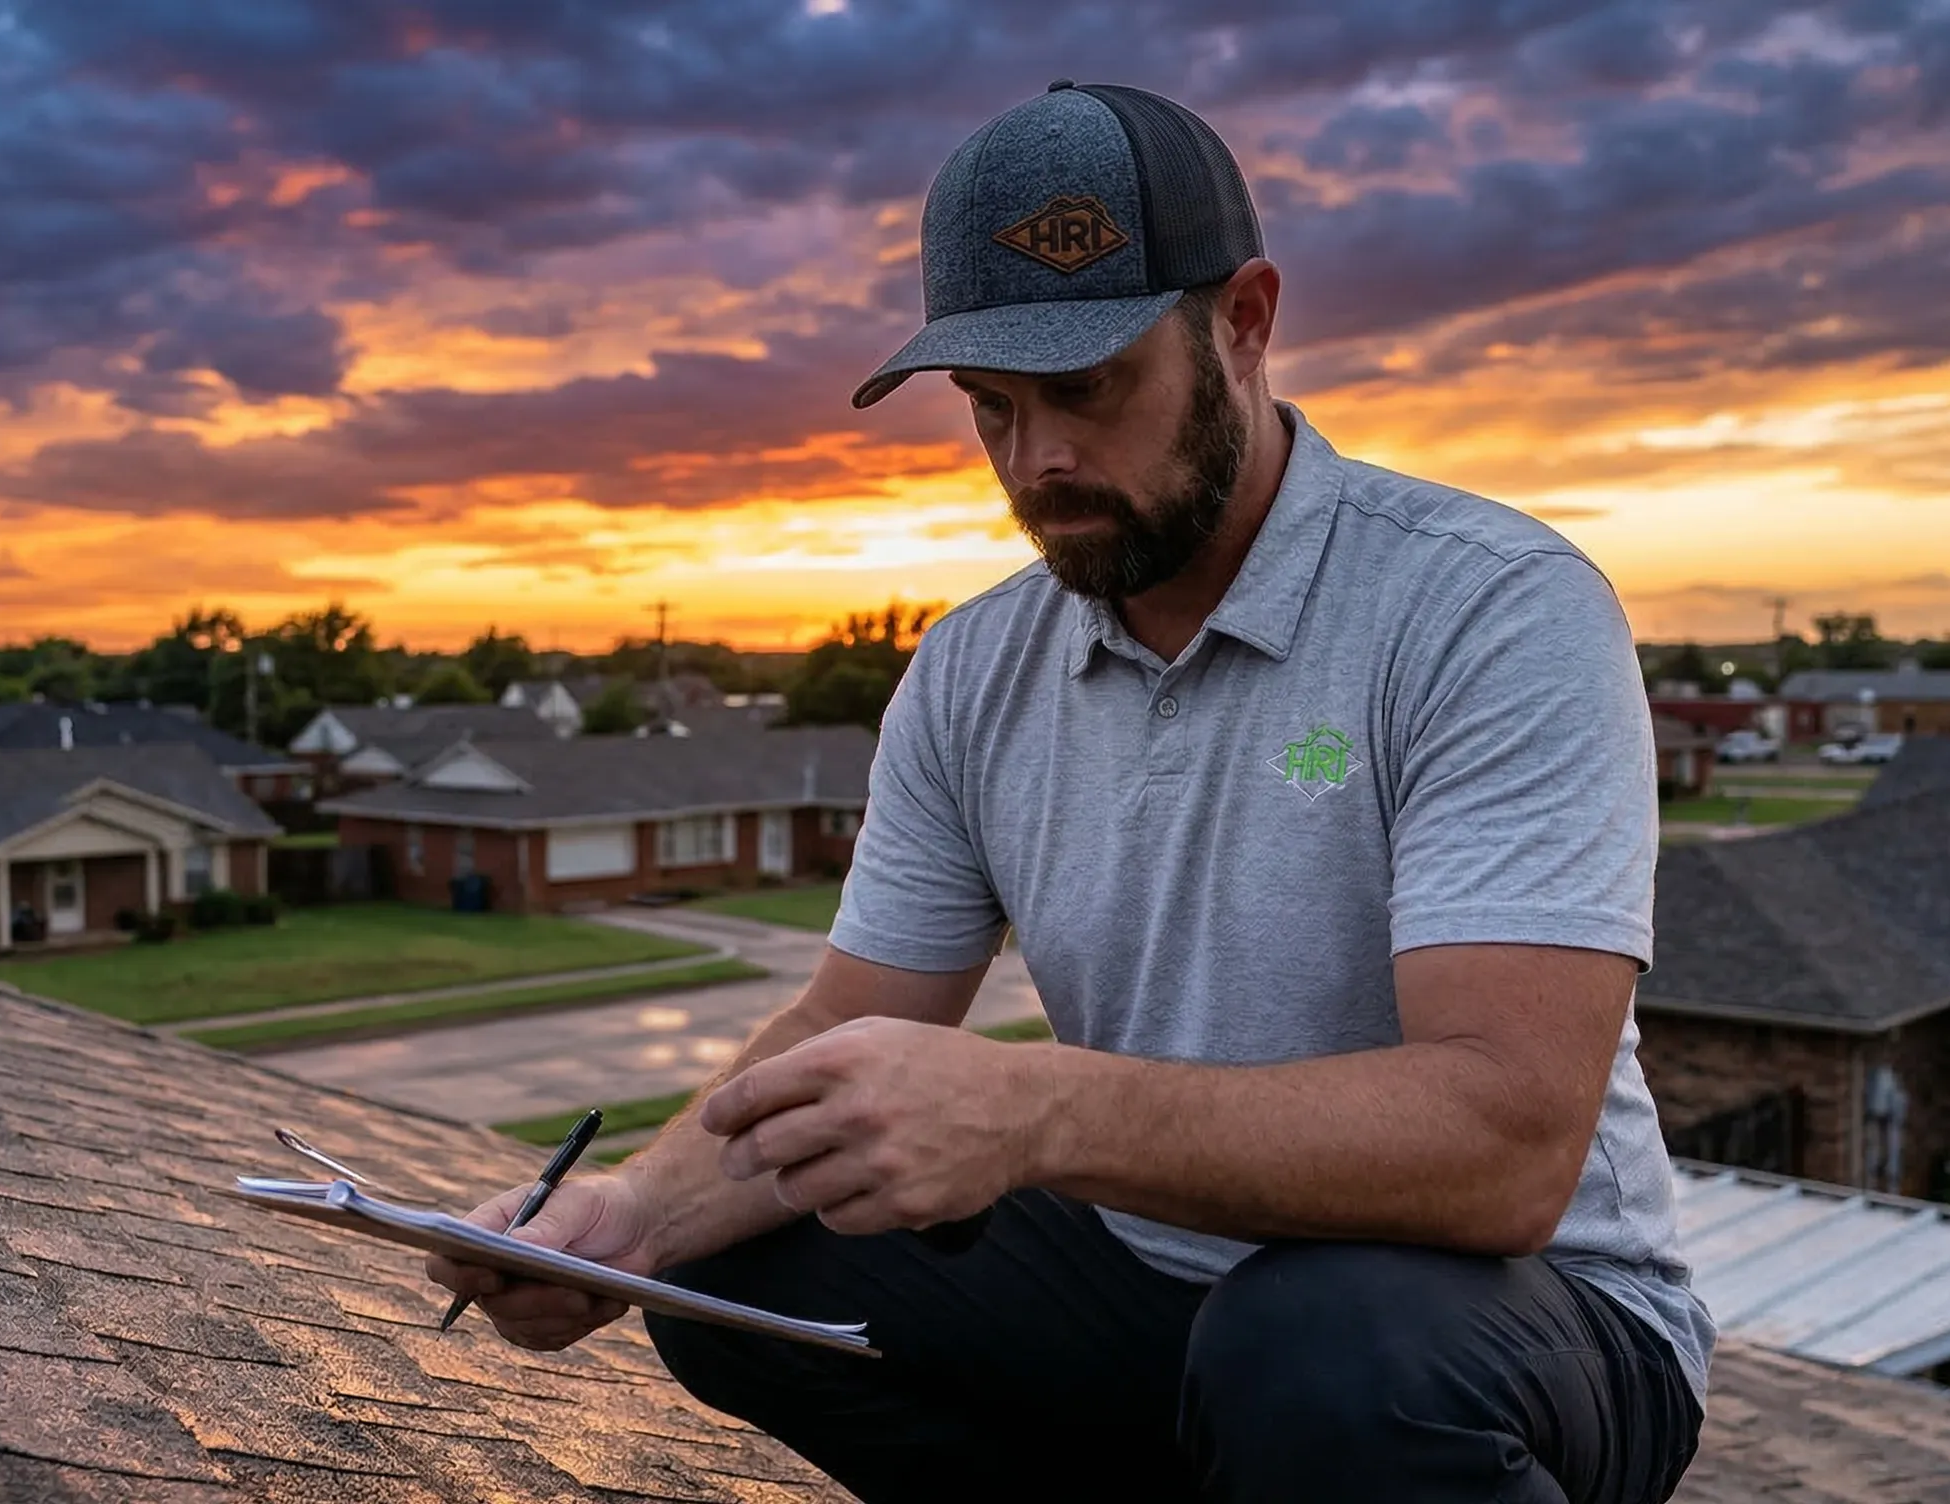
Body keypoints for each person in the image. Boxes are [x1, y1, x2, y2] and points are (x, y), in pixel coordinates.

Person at [426, 79, 1713, 1503]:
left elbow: (1505, 1149)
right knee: (763, 1258)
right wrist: (624, 1221)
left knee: (1321, 1351)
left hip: (1513, 1322)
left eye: (1089, 389)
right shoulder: (975, 667)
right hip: (1152, 1293)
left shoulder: (1488, 610)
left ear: (1244, 323)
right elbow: (851, 1017)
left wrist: (1037, 1113)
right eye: (990, 409)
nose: (1038, 461)